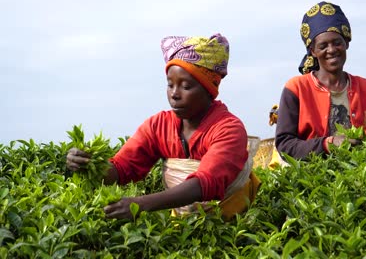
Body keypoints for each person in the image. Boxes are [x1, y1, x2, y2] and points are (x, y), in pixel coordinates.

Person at [66, 33, 261, 220]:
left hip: (229, 222)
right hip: (181, 224)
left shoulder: (228, 129)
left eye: (185, 86)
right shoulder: (158, 126)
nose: (175, 94)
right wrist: (89, 164)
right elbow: (122, 169)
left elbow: (204, 183)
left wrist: (140, 204)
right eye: (170, 85)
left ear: (208, 90)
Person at [275, 1, 366, 160]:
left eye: (337, 42)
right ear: (313, 51)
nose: (331, 50)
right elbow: (285, 146)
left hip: (361, 177)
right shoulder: (297, 88)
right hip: (313, 179)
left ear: (346, 43)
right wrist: (328, 144)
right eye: (323, 45)